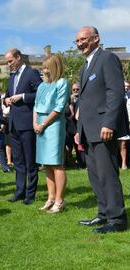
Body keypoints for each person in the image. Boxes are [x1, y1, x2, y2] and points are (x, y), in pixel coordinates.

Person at [75, 26, 128, 233]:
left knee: (107, 175)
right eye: (77, 41)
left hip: (103, 128)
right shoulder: (84, 67)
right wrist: (80, 129)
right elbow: (83, 101)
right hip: (88, 130)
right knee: (95, 175)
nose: (80, 43)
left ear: (96, 39)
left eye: (83, 39)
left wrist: (109, 123)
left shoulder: (107, 59)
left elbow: (115, 93)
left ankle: (117, 219)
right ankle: (103, 214)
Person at [4, 48, 43, 205]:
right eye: (7, 62)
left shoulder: (32, 73)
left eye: (10, 61)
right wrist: (5, 100)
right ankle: (19, 191)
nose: (9, 64)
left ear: (18, 58)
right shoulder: (11, 77)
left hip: (27, 124)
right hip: (13, 123)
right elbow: (7, 95)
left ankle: (30, 194)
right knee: (18, 161)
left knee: (30, 161)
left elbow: (40, 93)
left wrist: (23, 96)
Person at [33, 55, 70, 213]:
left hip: (53, 124)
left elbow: (59, 107)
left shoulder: (62, 83)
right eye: (43, 67)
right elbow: (35, 106)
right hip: (40, 125)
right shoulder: (42, 85)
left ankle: (60, 200)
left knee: (56, 163)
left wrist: (43, 124)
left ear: (55, 67)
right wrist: (35, 123)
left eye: (47, 67)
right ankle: (51, 197)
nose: (44, 70)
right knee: (46, 163)